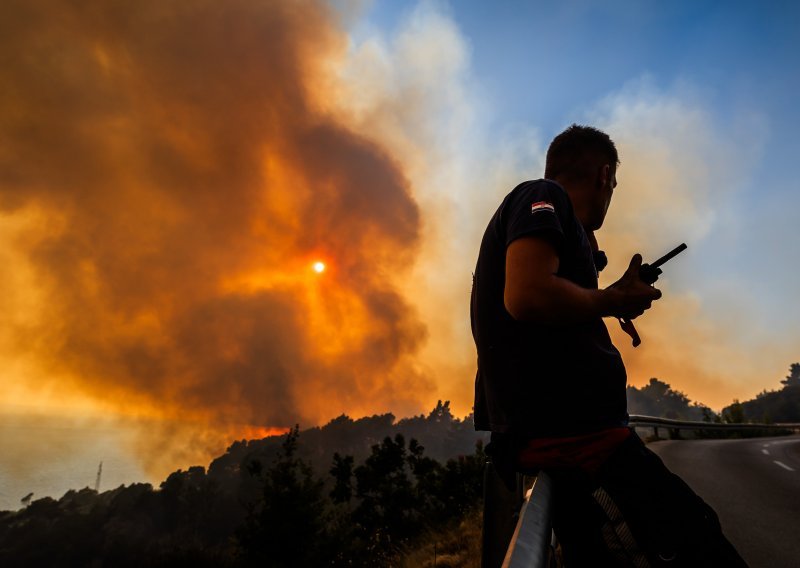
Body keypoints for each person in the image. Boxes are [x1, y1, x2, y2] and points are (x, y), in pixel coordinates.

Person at [470, 124, 746, 566]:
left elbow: (550, 303)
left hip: (581, 443)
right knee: (700, 548)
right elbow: (527, 295)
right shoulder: (543, 195)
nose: (611, 194)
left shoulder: (561, 225)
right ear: (603, 175)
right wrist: (611, 298)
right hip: (580, 449)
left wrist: (607, 300)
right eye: (613, 184)